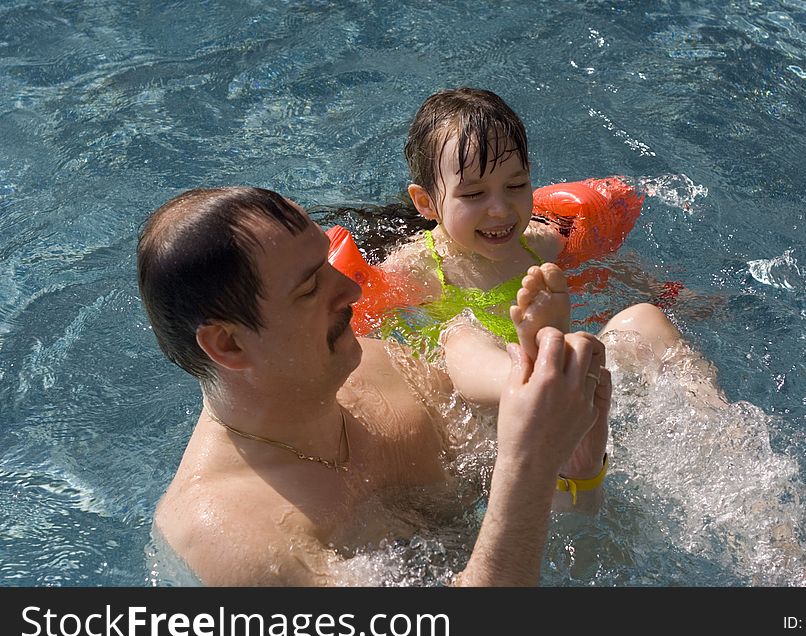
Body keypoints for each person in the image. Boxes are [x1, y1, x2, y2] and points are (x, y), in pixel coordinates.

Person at [137, 186, 610, 586]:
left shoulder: (385, 370)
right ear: (228, 345)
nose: (351, 290)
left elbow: (563, 537)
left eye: (327, 264)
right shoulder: (238, 539)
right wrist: (527, 462)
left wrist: (574, 452)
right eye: (308, 289)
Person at [378, 87, 685, 406]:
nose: (501, 209)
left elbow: (612, 270)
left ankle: (723, 428)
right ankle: (537, 374)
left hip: (562, 389)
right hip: (485, 408)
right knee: (460, 336)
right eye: (473, 195)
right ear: (426, 203)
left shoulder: (543, 245)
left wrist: (668, 293)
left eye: (515, 186)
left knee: (644, 319)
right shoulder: (415, 268)